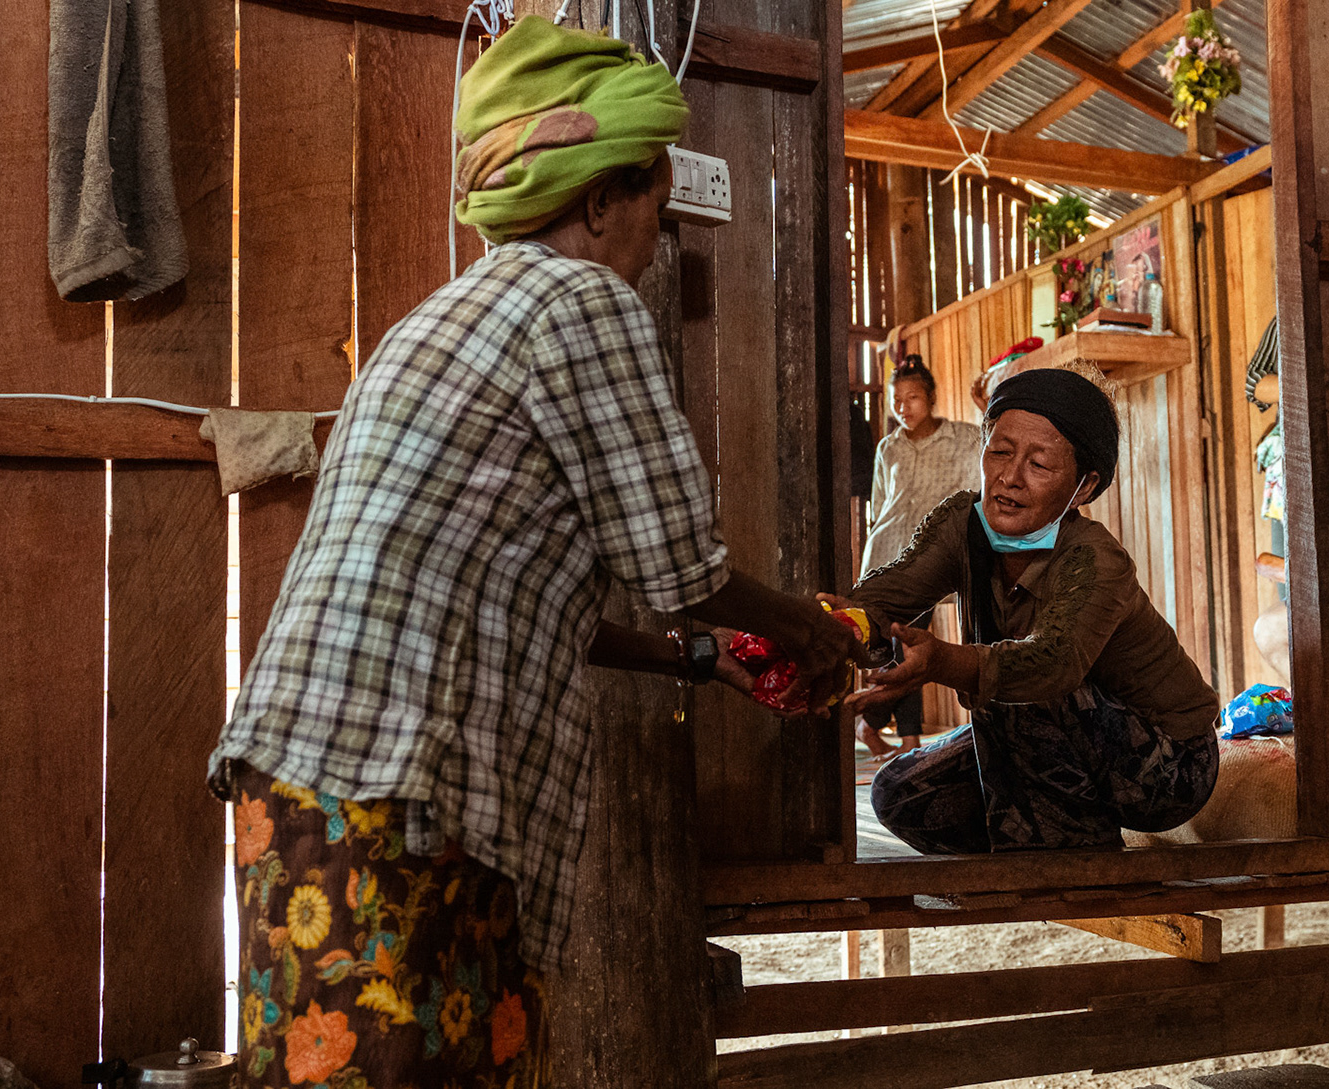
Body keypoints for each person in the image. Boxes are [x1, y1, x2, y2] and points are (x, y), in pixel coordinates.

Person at [206, 19, 859, 1088]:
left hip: (310, 782)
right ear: (600, 201)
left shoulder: (441, 316)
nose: (656, 237)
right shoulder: (581, 298)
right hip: (396, 786)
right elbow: (679, 570)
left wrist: (702, 659)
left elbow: (511, 592)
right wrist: (810, 631)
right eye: (652, 205)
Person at [829, 368, 1221, 854]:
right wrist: (839, 627)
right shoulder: (963, 524)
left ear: (1082, 487)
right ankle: (1041, 831)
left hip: (1171, 766)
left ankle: (1073, 851)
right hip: (1049, 733)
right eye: (1000, 451)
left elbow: (1052, 666)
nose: (1009, 478)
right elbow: (889, 596)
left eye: (1039, 465)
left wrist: (942, 662)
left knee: (1025, 690)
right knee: (901, 794)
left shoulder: (1093, 558)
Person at [857, 355, 982, 758]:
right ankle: (906, 738)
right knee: (902, 644)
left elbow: (989, 460)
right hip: (887, 555)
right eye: (897, 399)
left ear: (930, 398)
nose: (903, 407)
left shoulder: (963, 438)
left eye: (912, 397)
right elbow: (879, 505)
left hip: (931, 560)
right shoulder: (887, 448)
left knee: (908, 643)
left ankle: (871, 722)